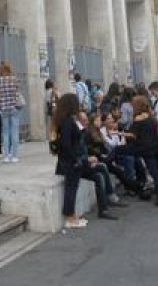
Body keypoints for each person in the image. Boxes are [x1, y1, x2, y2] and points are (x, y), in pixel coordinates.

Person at [77, 111, 123, 220]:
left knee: (100, 174)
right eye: (83, 120)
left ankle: (105, 206)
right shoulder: (83, 133)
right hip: (80, 164)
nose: (86, 122)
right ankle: (108, 199)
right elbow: (79, 152)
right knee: (103, 166)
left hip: (88, 161)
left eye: (86, 120)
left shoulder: (86, 132)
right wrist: (89, 159)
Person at [53, 93, 87, 229]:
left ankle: (72, 215)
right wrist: (74, 159)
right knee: (71, 188)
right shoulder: (67, 122)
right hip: (70, 161)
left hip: (71, 159)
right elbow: (66, 144)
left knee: (72, 187)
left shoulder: (67, 120)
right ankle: (70, 217)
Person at [126, 95, 158, 207]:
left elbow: (132, 134)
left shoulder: (138, 119)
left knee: (154, 172)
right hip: (155, 147)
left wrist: (121, 134)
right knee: (157, 172)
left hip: (145, 149)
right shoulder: (151, 117)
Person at [0, 61, 21, 163]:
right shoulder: (14, 79)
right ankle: (14, 156)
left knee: (5, 133)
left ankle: (6, 156)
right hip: (14, 108)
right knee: (14, 132)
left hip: (4, 109)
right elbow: (17, 92)